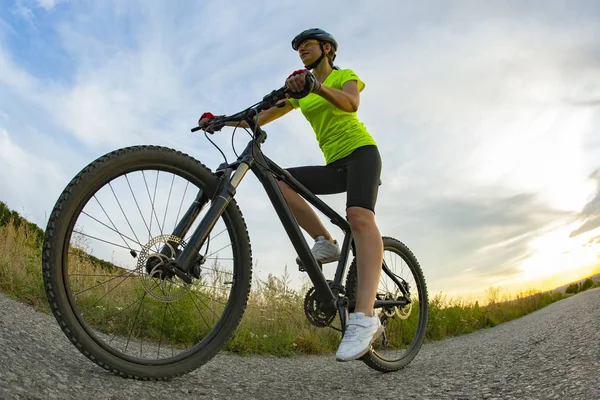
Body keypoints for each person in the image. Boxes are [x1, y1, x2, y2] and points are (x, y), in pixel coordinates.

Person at [198, 28, 384, 361]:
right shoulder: (301, 91)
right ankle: (325, 241)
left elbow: (351, 103)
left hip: (362, 154)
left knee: (358, 216)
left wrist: (318, 86)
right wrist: (223, 121)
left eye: (307, 45)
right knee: (279, 181)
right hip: (335, 162)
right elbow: (261, 116)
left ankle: (366, 317)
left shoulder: (344, 76)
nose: (301, 51)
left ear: (326, 48)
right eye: (297, 49)